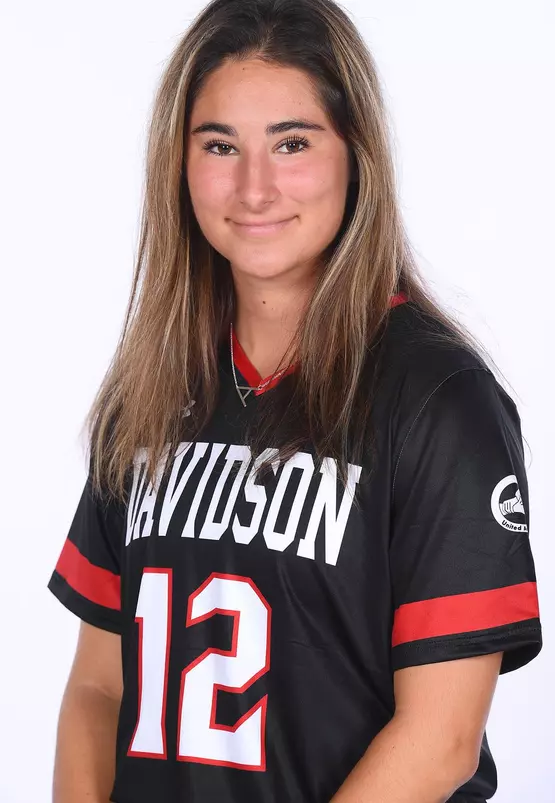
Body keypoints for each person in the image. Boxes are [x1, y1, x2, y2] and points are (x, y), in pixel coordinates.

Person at [47, 1, 543, 801]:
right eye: (219, 145)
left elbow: (441, 738)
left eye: (292, 142)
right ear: (178, 163)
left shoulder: (438, 398)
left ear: (357, 155)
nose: (255, 187)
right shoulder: (149, 390)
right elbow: (98, 687)